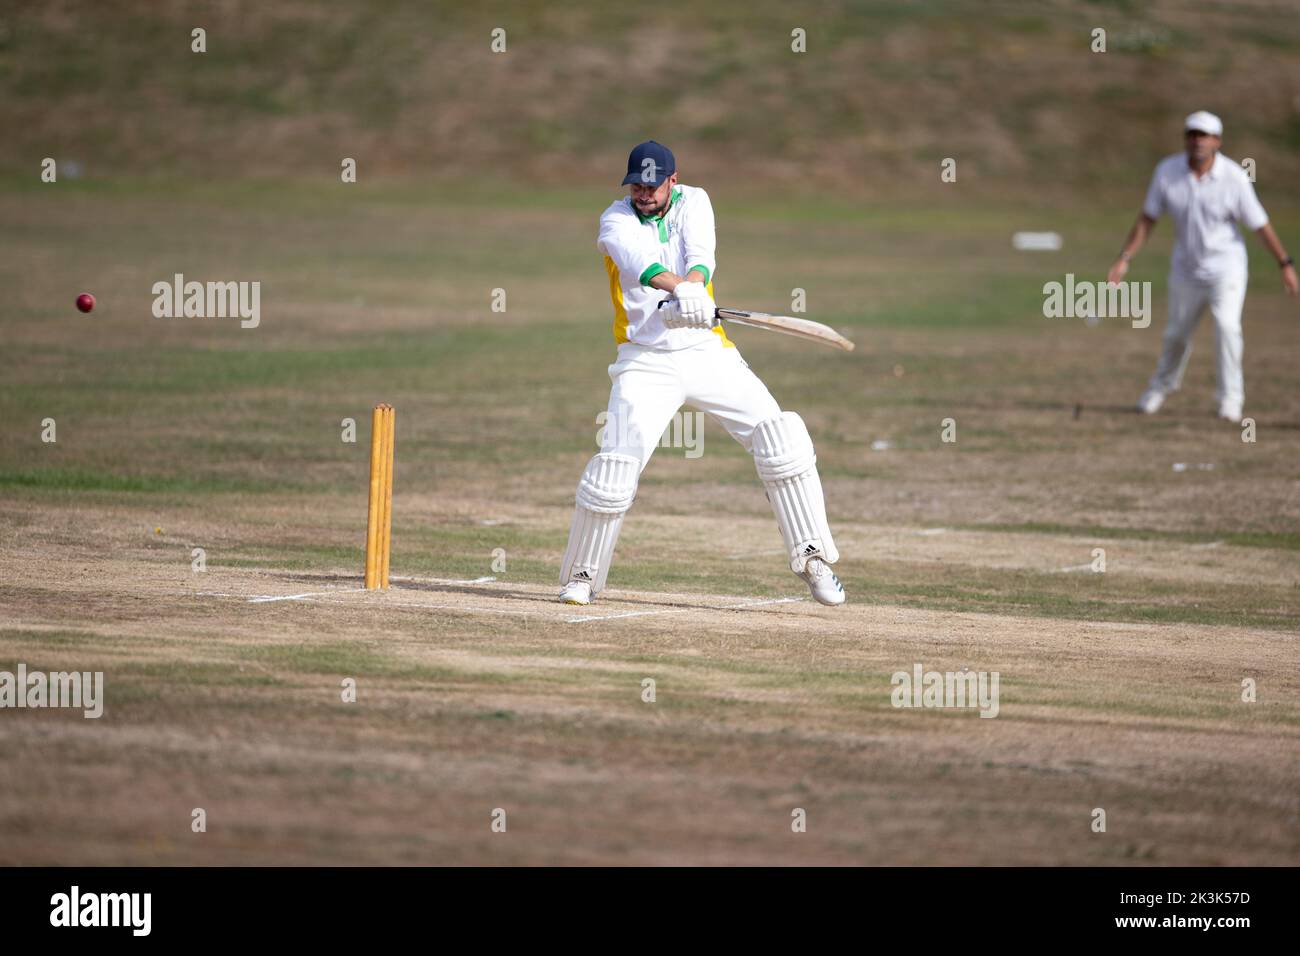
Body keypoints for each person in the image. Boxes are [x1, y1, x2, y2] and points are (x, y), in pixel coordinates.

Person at [557, 140, 845, 607]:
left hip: (707, 351)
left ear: (672, 180)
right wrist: (678, 291)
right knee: (614, 466)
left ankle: (813, 558)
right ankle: (582, 575)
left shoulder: (696, 200)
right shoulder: (614, 220)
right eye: (636, 185)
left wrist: (693, 289)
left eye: (653, 185)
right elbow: (641, 266)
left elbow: (701, 254)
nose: (644, 193)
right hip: (645, 359)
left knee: (781, 435)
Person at [1109, 111, 1297, 423]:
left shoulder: (1234, 177)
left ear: (1217, 141)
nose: (1198, 141)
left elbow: (1260, 224)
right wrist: (1124, 258)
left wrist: (1285, 263)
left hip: (1227, 268)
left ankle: (1230, 399)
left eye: (1204, 135)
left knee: (1227, 327)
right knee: (1177, 335)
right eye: (1192, 134)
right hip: (1185, 269)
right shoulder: (1167, 172)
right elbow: (1148, 218)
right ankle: (1162, 385)